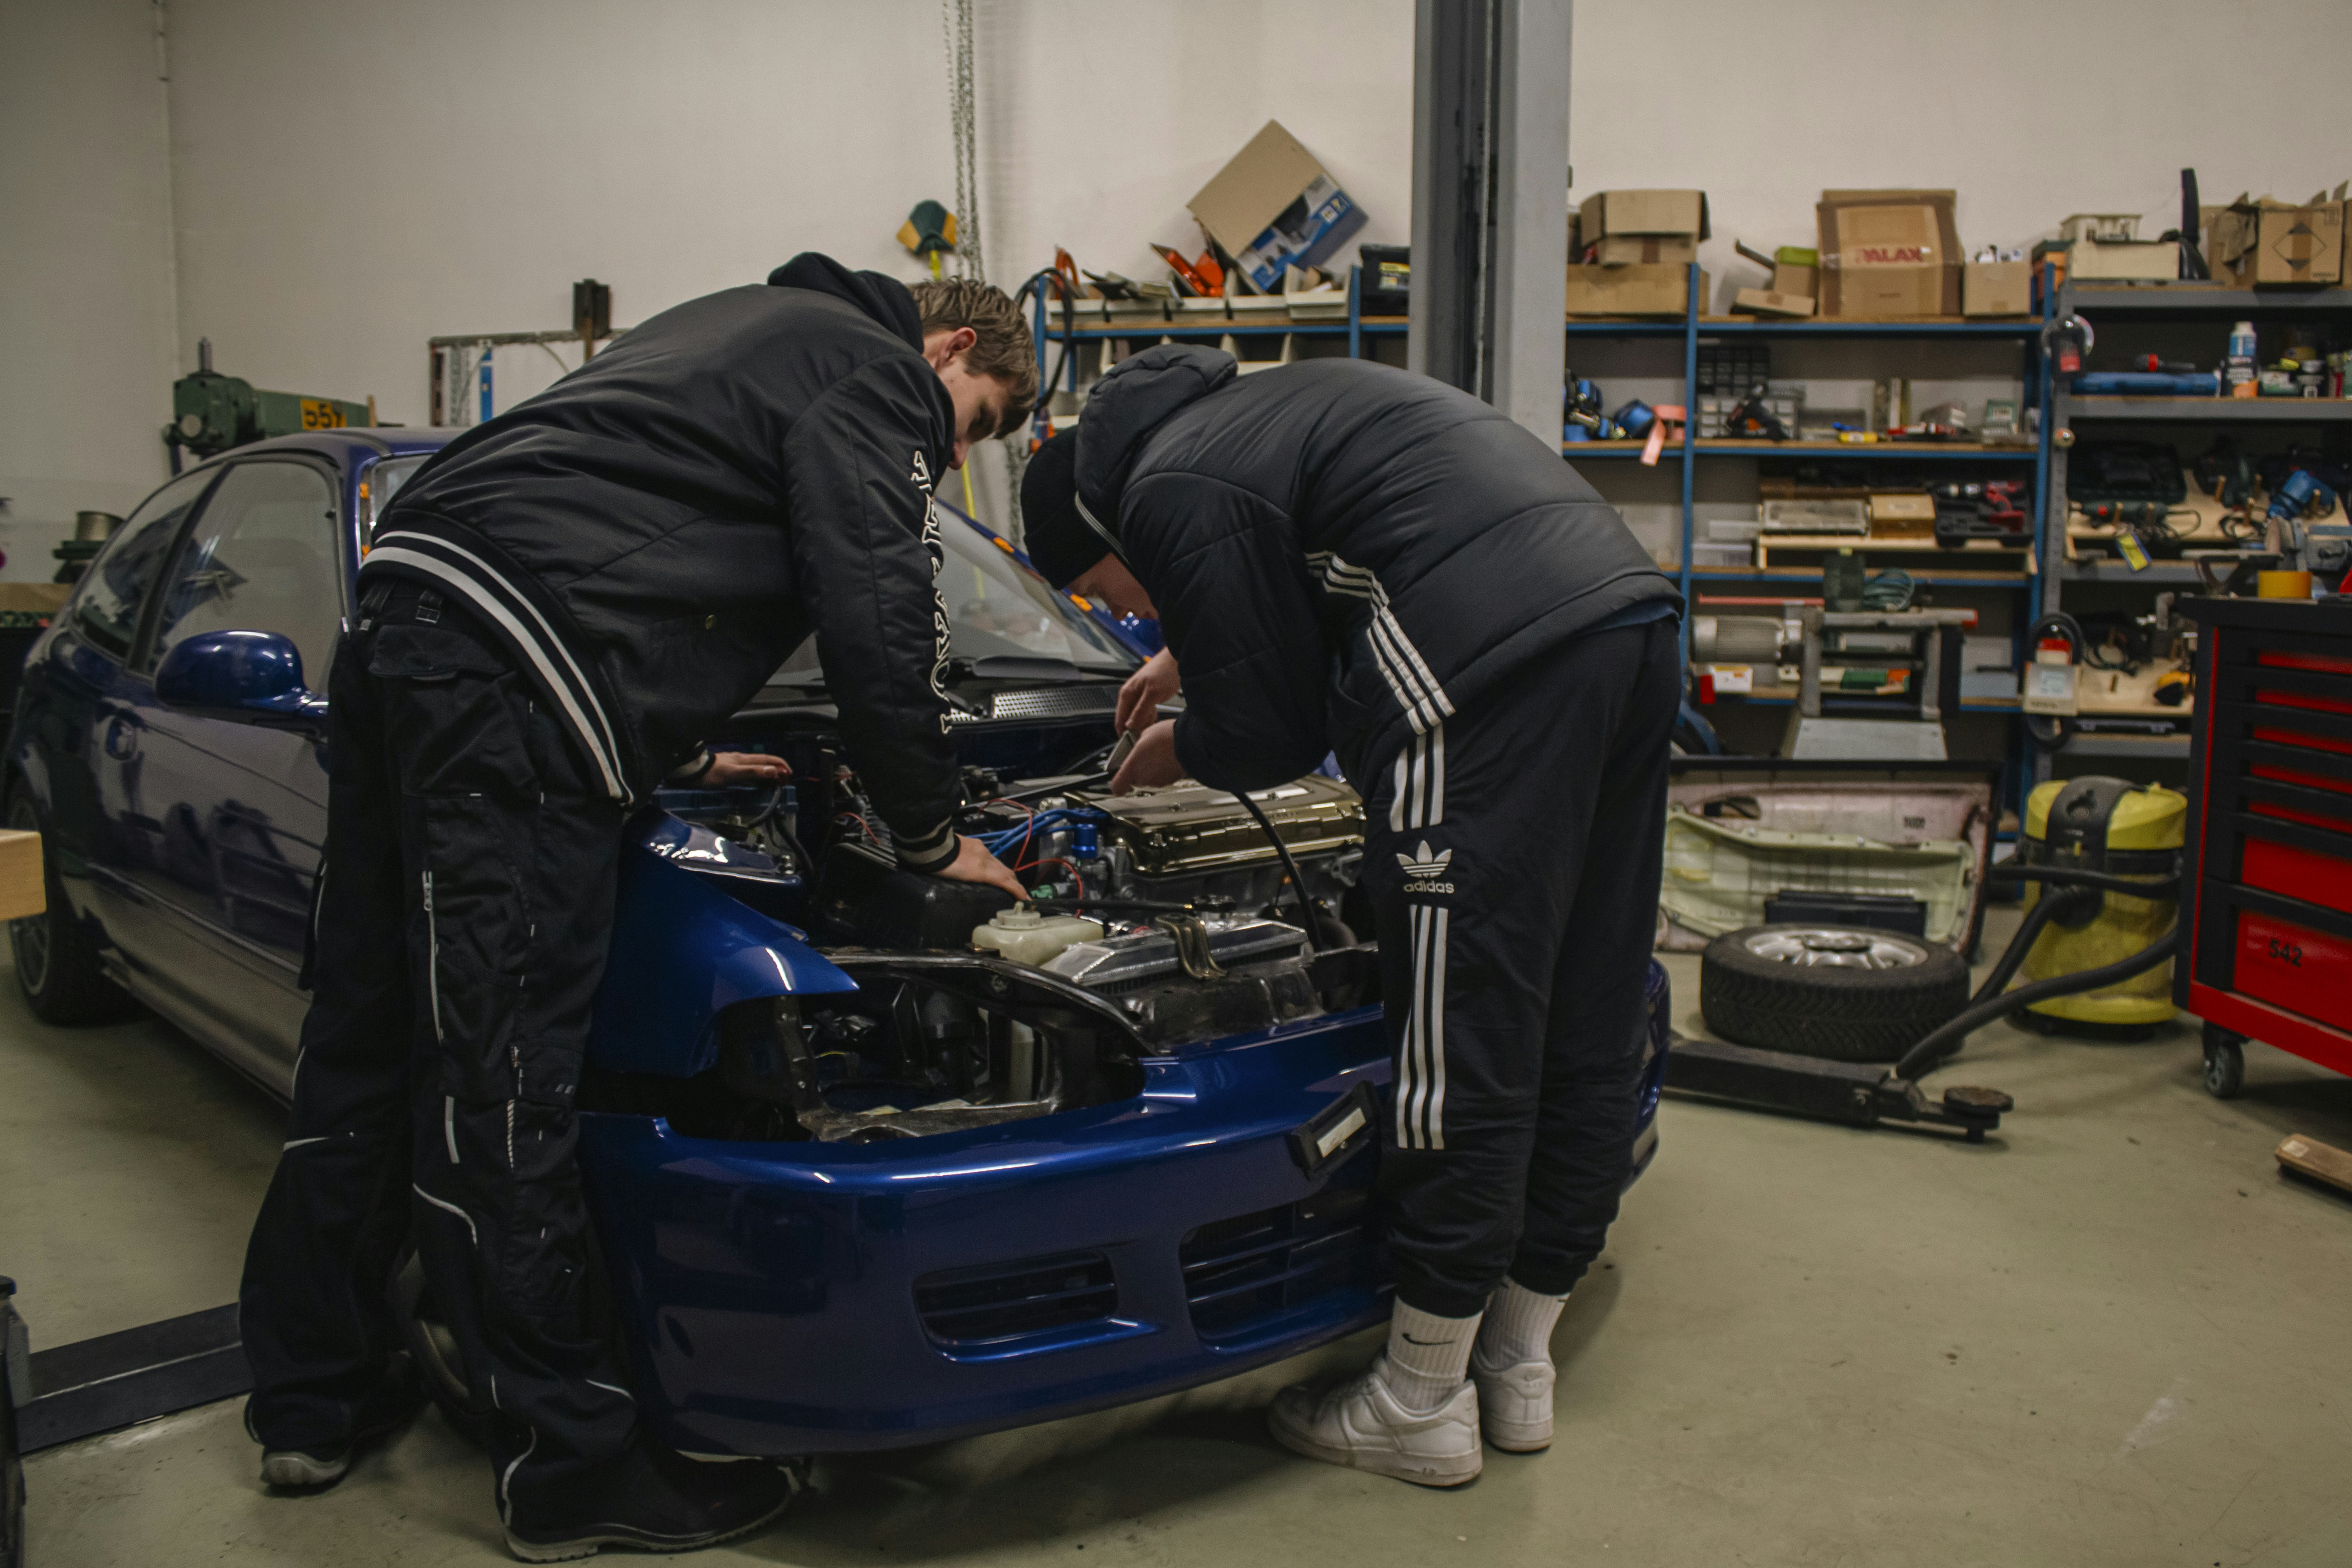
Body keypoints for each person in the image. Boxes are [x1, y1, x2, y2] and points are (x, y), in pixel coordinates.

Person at [239, 255, 1033, 1561]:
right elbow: (879, 608)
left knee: (371, 1032)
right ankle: (571, 1465)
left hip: (413, 619)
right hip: (512, 664)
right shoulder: (873, 366)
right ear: (950, 353)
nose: (958, 457)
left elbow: (620, 522)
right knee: (502, 1077)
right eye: (982, 423)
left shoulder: (743, 325)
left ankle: (316, 1388)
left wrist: (661, 747)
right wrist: (932, 835)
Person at [1018, 345, 1680, 1488]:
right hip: (1621, 620)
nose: (1116, 610)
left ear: (1103, 535)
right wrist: (1195, 648)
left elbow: (1270, 734)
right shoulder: (1250, 419)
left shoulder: (1165, 488)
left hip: (1481, 667)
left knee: (1457, 1035)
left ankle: (1417, 1398)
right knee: (1584, 993)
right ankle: (1517, 1363)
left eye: (1102, 590)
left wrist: (1184, 740)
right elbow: (1328, 553)